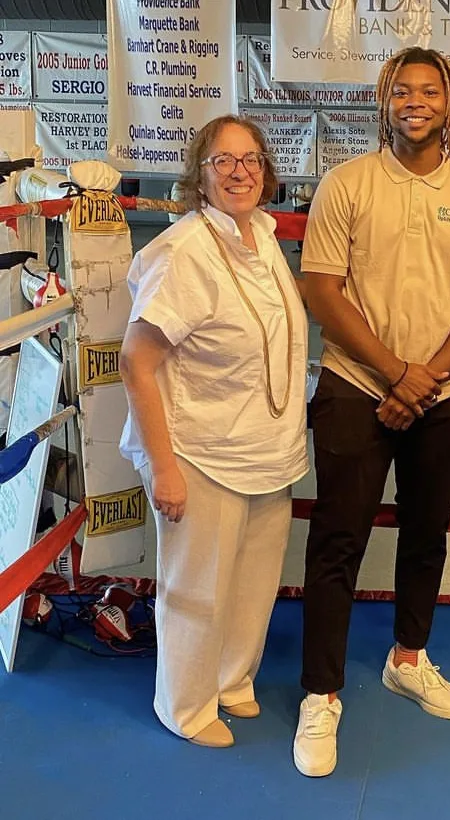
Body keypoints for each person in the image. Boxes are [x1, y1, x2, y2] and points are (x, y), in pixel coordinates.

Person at [293, 47, 450, 777]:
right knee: (337, 538)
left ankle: (408, 657)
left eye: (430, 91)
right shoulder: (346, 184)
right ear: (384, 101)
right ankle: (320, 692)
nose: (416, 101)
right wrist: (395, 374)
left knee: (426, 534)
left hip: (445, 392)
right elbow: (322, 290)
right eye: (402, 90)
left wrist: (427, 379)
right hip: (357, 383)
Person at [119, 115, 308, 748]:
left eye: (250, 159)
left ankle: (231, 681)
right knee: (196, 589)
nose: (239, 172)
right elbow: (135, 363)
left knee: (253, 583)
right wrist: (165, 469)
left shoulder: (262, 236)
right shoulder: (185, 250)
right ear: (199, 173)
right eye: (223, 161)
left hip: (265, 449)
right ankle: (187, 706)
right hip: (200, 451)